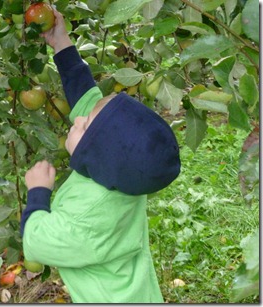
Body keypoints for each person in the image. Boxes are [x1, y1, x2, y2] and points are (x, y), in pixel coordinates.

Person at [20, 10, 181, 303]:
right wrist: (61, 43)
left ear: (99, 153)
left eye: (85, 124)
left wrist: (38, 193)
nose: (77, 120)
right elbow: (88, 101)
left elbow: (37, 242)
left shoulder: (89, 215)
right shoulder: (124, 172)